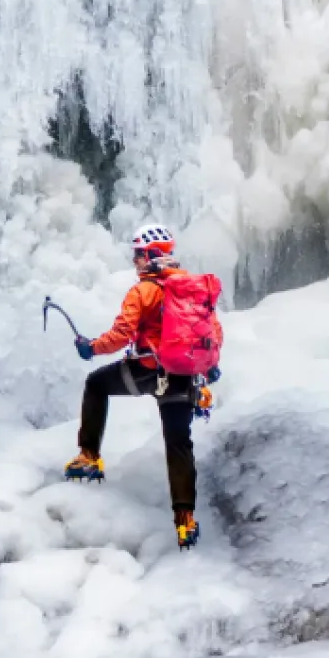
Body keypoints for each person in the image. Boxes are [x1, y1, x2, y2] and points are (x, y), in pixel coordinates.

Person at [65, 223, 221, 549]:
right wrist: (209, 368)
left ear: (151, 255)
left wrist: (92, 347)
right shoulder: (192, 288)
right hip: (183, 376)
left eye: (138, 254)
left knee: (96, 384)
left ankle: (89, 457)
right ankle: (185, 521)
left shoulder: (144, 291)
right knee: (179, 444)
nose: (135, 261)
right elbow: (213, 333)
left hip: (148, 371)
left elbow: (122, 333)